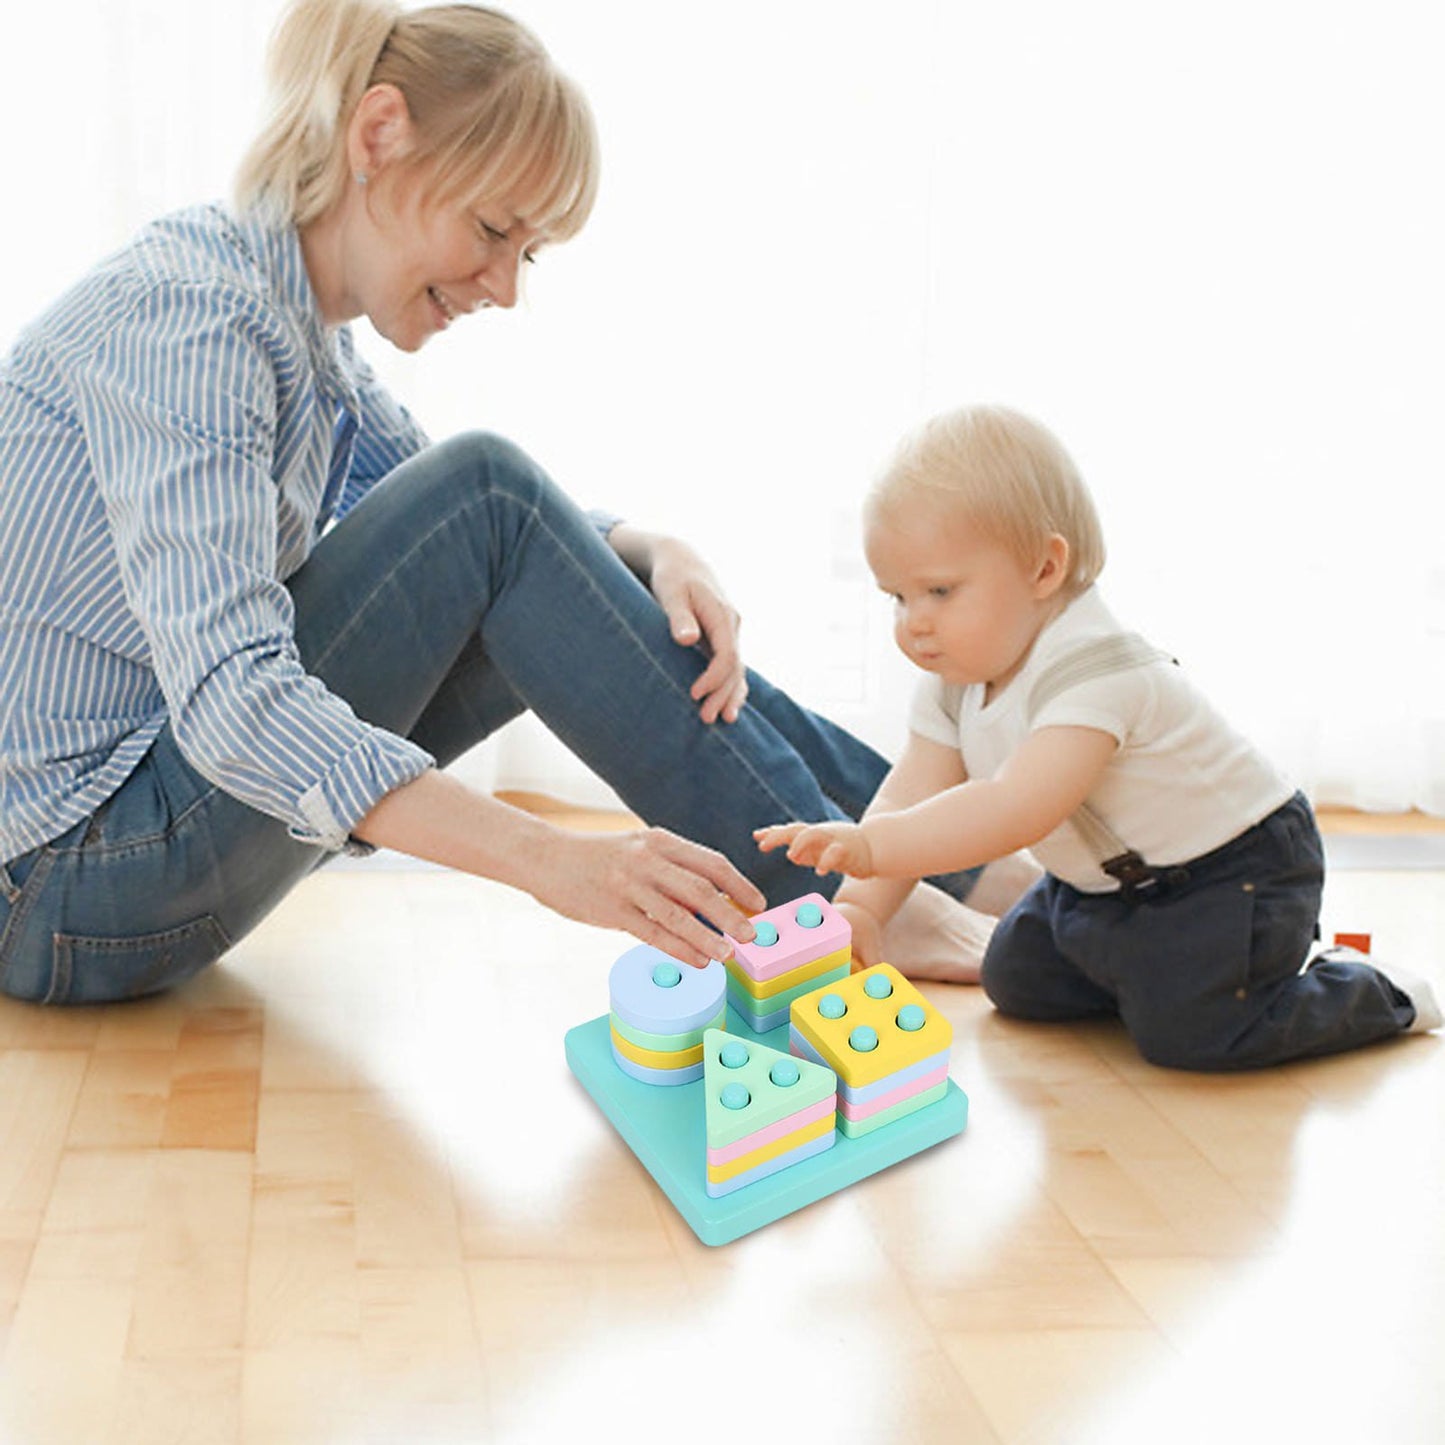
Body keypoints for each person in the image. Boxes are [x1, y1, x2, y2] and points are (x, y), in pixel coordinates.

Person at [0, 0, 1010, 1006]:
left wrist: (638, 541)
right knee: (493, 498)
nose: (503, 286)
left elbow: (503, 548)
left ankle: (944, 850)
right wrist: (559, 864)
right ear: (378, 136)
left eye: (525, 251)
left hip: (128, 854)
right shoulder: (194, 319)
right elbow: (235, 700)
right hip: (61, 886)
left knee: (532, 537)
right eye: (491, 229)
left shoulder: (295, 333)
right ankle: (844, 891)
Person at [757, 404, 1442, 1069]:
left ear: (1044, 569)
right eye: (897, 598)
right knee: (1016, 981)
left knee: (1195, 1035)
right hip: (1104, 884)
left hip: (1236, 870)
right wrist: (860, 905)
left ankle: (1371, 990)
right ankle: (1160, 970)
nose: (913, 623)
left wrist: (874, 847)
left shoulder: (1098, 669)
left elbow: (1014, 807)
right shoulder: (956, 677)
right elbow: (910, 788)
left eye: (938, 591)